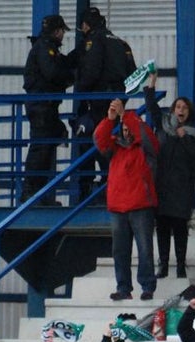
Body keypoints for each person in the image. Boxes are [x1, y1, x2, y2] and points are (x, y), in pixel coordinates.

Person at [94, 93, 160, 302]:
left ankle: (147, 286)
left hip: (141, 205)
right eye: (122, 129)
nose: (125, 131)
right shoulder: (115, 148)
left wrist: (126, 115)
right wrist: (110, 118)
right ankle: (124, 288)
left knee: (145, 249)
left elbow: (146, 136)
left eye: (128, 128)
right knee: (120, 251)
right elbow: (99, 138)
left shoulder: (145, 148)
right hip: (118, 207)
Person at [71, 8, 136, 200]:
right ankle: (110, 183)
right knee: (114, 141)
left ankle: (93, 189)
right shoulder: (121, 43)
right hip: (117, 99)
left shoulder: (95, 41)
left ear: (86, 25)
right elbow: (133, 75)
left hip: (100, 99)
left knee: (97, 139)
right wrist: (122, 100)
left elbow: (91, 71)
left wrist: (80, 91)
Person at [145, 77, 195, 279]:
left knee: (180, 228)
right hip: (161, 185)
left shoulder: (193, 134)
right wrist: (151, 86)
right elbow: (152, 109)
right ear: (172, 110)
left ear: (188, 114)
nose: (180, 110)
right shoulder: (162, 126)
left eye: (185, 108)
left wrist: (184, 138)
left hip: (182, 188)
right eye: (177, 106)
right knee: (162, 227)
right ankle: (163, 264)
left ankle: (181, 264)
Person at [21, 14, 74, 203]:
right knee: (41, 147)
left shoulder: (47, 48)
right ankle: (29, 191)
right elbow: (52, 73)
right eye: (61, 31)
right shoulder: (44, 48)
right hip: (41, 105)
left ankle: (39, 193)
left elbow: (60, 65)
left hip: (46, 106)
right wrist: (71, 77)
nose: (62, 35)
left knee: (47, 145)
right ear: (57, 31)